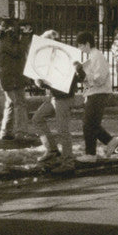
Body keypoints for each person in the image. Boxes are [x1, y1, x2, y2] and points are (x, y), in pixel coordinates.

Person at [31, 30, 78, 173]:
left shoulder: (65, 57)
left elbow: (62, 83)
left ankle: (68, 162)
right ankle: (52, 150)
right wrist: (39, 81)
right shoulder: (53, 56)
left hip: (63, 98)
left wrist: (44, 84)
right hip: (55, 97)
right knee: (37, 119)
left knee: (63, 130)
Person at [74, 31, 115, 162]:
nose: (79, 48)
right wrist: (80, 72)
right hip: (95, 93)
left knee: (88, 124)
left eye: (80, 45)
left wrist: (83, 74)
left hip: (99, 93)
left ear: (87, 43)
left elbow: (100, 78)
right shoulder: (92, 56)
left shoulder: (97, 56)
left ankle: (91, 154)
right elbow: (89, 77)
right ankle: (111, 142)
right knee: (93, 124)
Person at [0, 18, 33, 141]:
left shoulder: (6, 38)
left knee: (11, 103)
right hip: (11, 75)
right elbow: (18, 51)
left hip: (13, 74)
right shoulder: (5, 39)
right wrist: (26, 35)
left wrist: (25, 36)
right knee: (19, 103)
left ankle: (6, 131)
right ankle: (21, 132)